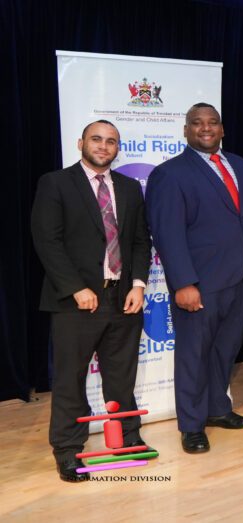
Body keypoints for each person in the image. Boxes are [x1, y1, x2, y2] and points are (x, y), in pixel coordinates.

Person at [31, 120, 151, 482]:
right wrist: (75, 287)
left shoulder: (130, 188)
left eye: (111, 141)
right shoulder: (56, 183)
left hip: (122, 298)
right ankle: (68, 450)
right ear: (81, 142)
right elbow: (46, 240)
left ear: (118, 149)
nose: (103, 146)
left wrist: (138, 284)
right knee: (70, 379)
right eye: (97, 139)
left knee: (121, 377)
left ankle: (128, 439)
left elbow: (139, 242)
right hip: (75, 302)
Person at [146, 103, 243, 454]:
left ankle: (217, 409)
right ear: (186, 130)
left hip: (240, 278)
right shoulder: (170, 174)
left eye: (212, 122)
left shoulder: (240, 165)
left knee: (224, 351)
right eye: (197, 123)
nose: (205, 128)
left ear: (223, 129)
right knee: (194, 355)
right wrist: (183, 283)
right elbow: (168, 234)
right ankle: (192, 425)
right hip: (199, 283)